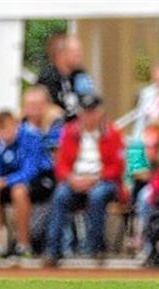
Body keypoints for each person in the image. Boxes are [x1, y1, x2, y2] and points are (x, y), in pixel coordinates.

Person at [45, 93, 125, 260]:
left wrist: (95, 178)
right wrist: (71, 178)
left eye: (92, 111)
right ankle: (53, 250)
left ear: (100, 112)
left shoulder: (113, 133)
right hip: (75, 180)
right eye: (85, 111)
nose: (88, 116)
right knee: (60, 194)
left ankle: (93, 247)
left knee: (97, 195)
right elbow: (61, 165)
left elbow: (117, 167)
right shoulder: (69, 132)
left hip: (102, 180)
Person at [0, 109, 55, 259]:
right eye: (1, 129)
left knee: (19, 191)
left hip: (40, 180)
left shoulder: (31, 138)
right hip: (9, 181)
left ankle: (23, 244)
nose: (5, 133)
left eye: (8, 127)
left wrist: (4, 181)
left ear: (16, 125)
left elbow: (30, 170)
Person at [37, 34, 96, 121]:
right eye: (73, 51)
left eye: (79, 51)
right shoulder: (48, 77)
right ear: (60, 54)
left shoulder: (80, 74)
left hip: (79, 128)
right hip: (58, 129)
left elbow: (91, 101)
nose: (79, 55)